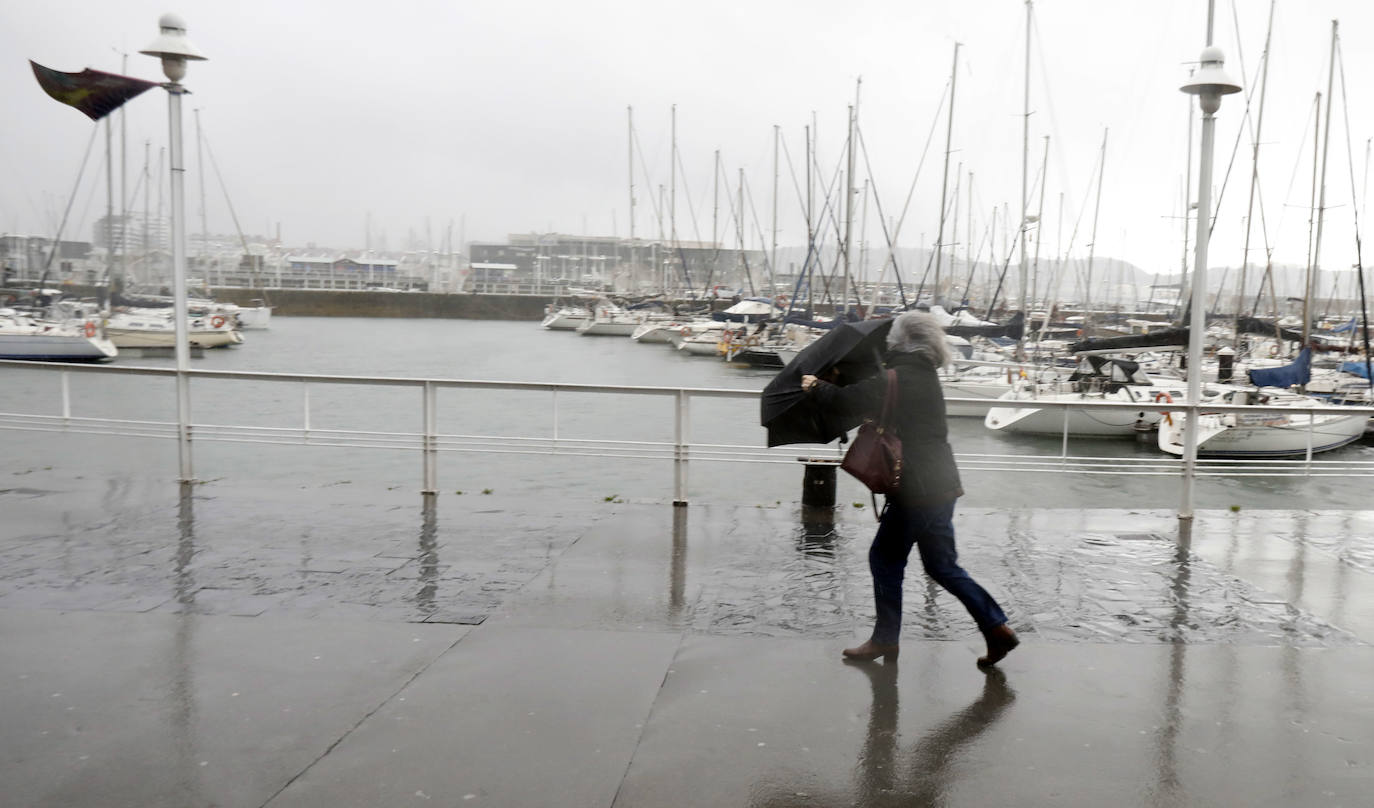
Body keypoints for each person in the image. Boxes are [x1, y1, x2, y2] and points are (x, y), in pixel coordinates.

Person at [802, 311, 1018, 667]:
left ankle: (886, 640)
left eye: (891, 337)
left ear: (900, 341)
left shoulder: (897, 376)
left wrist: (816, 386)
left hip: (915, 489)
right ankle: (997, 629)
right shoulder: (922, 373)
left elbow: (848, 402)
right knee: (943, 566)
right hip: (942, 484)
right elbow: (875, 399)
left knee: (884, 558)